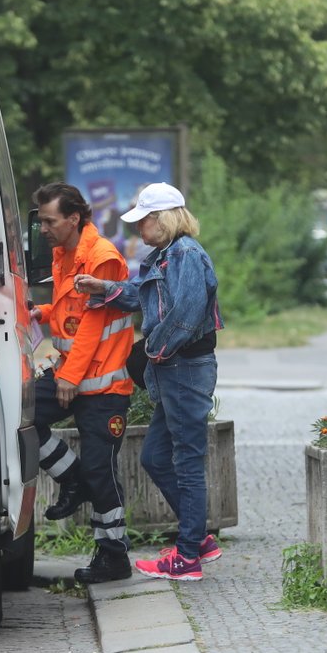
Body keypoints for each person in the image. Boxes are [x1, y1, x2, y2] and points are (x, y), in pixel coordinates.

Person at [74, 183, 223, 581]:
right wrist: (104, 289)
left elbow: (186, 317)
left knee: (187, 462)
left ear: (163, 218)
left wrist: (152, 352)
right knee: (155, 457)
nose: (139, 226)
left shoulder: (186, 255)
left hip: (183, 369)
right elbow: (143, 295)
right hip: (174, 369)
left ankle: (188, 557)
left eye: (144, 219)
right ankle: (200, 540)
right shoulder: (168, 255)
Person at [31, 183, 135, 584]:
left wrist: (70, 378)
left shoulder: (101, 257)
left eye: (49, 220)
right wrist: (38, 312)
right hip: (71, 374)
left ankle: (113, 555)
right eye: (40, 220)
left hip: (102, 386)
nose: (42, 228)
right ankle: (71, 479)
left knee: (100, 471)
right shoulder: (65, 253)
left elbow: (92, 324)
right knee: (22, 419)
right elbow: (68, 312)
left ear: (73, 219)